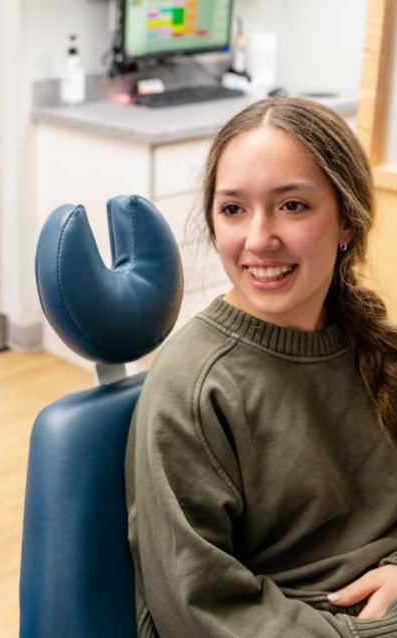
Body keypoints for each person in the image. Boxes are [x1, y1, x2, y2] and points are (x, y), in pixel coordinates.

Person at [125, 96, 397, 637]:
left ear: (346, 221)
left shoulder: (372, 346)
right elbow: (197, 610)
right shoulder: (194, 388)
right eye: (233, 210)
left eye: (292, 206)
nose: (258, 238)